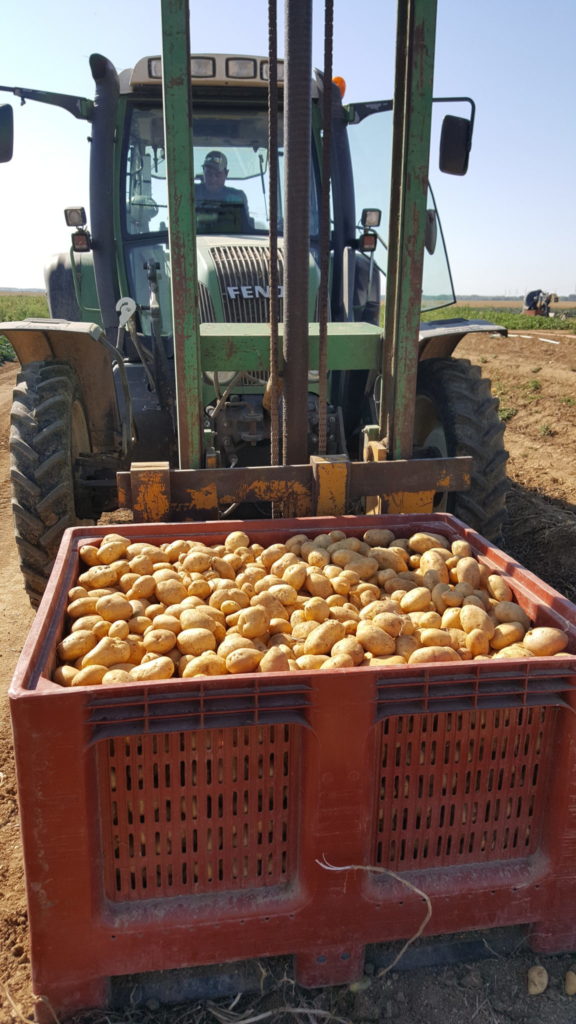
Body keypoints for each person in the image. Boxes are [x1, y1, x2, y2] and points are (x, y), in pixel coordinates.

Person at [195, 150, 252, 230]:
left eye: (218, 174)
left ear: (226, 174)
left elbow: (245, 228)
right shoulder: (190, 193)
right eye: (208, 173)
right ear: (203, 172)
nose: (213, 179)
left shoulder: (237, 198)